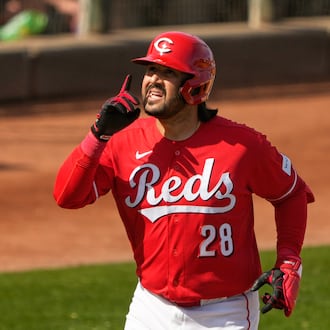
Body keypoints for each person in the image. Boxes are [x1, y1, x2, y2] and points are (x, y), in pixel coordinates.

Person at [53, 31, 315, 329]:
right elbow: (68, 197)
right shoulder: (122, 143)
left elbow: (291, 194)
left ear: (195, 87)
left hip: (224, 313)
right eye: (151, 70)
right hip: (151, 306)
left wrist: (289, 260)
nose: (153, 80)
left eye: (167, 73)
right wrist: (97, 135)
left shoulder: (242, 146)